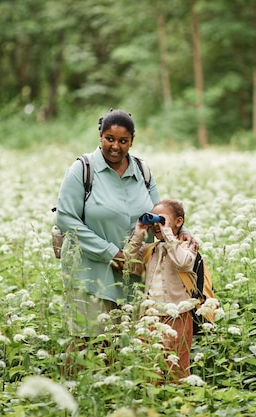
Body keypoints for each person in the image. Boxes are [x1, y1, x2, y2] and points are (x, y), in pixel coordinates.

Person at [54, 109, 195, 373]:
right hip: (90, 272)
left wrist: (182, 230)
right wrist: (111, 253)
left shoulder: (142, 170)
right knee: (87, 343)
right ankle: (74, 398)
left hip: (134, 273)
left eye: (122, 141)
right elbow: (66, 219)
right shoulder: (82, 170)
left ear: (132, 140)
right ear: (100, 136)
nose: (115, 146)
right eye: (109, 139)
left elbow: (159, 211)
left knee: (123, 345)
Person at [124, 199, 197, 382]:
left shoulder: (186, 246)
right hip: (151, 316)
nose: (156, 225)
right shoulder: (151, 250)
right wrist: (139, 233)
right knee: (150, 367)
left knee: (177, 367)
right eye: (153, 220)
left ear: (178, 221)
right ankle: (153, 403)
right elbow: (128, 264)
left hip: (178, 316)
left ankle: (178, 403)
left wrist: (168, 234)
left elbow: (183, 262)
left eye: (162, 219)